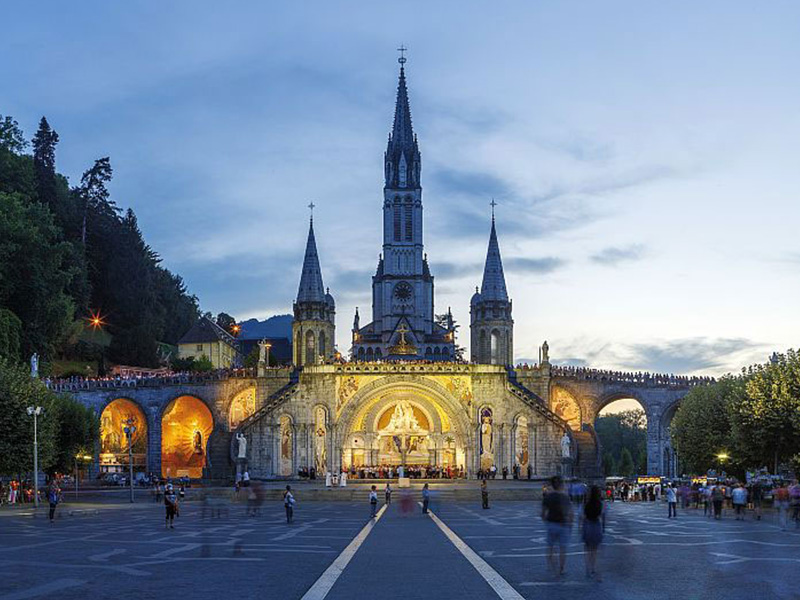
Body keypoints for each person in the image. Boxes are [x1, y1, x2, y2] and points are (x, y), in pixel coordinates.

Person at [542, 475, 573, 577]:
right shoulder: (565, 497)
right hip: (562, 524)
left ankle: (552, 566)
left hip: (551, 524)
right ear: (561, 485)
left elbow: (543, 513)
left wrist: (546, 520)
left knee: (550, 547)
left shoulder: (548, 497)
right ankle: (561, 569)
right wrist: (570, 525)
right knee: (562, 548)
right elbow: (570, 513)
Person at [581, 485, 605, 580]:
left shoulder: (586, 504)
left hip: (587, 525)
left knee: (587, 550)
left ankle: (587, 568)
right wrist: (603, 528)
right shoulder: (600, 504)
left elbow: (582, 516)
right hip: (596, 525)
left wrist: (581, 527)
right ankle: (593, 568)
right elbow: (603, 516)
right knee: (595, 550)